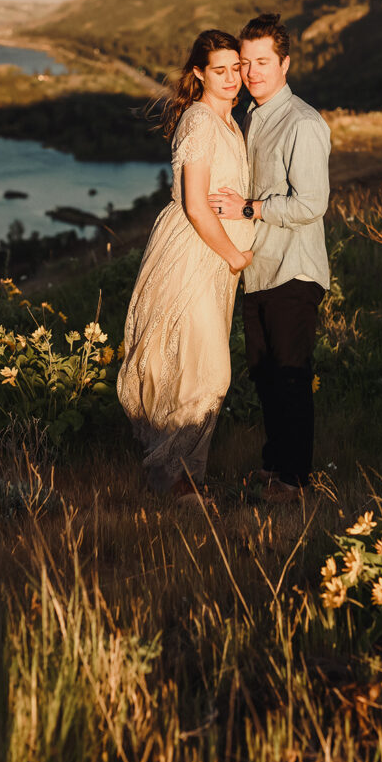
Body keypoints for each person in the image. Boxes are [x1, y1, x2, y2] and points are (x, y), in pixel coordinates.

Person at [117, 30, 254, 499]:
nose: (232, 78)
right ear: (199, 73)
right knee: (205, 368)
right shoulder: (198, 122)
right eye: (220, 71)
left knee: (192, 363)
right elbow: (196, 206)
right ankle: (173, 477)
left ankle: (184, 474)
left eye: (236, 68)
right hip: (193, 253)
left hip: (215, 262)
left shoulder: (232, 122)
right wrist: (237, 255)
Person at [208, 13, 330, 501]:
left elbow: (311, 203)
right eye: (245, 62)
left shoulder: (302, 122)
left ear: (284, 63)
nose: (252, 71)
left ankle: (296, 482)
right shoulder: (254, 116)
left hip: (294, 269)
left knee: (291, 374)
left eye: (263, 61)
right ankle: (276, 466)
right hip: (259, 268)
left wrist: (247, 207)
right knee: (264, 372)